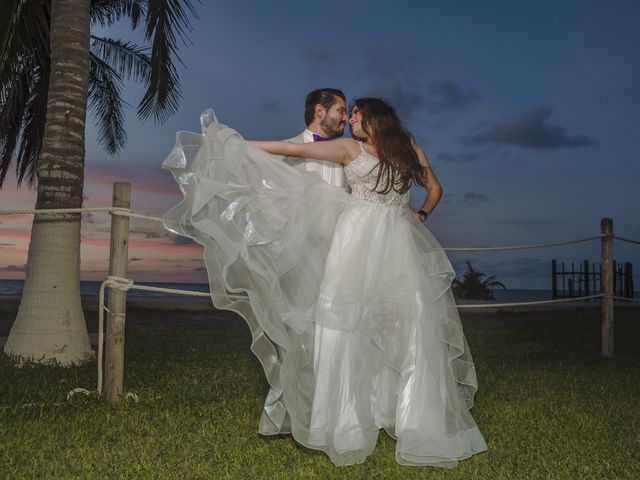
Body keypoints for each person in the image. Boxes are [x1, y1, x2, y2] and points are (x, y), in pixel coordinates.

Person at [163, 98, 487, 467]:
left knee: (406, 322)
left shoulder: (408, 148)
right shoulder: (351, 148)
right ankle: (346, 420)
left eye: (356, 115)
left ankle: (405, 413)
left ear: (374, 118)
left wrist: (421, 215)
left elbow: (435, 188)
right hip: (353, 242)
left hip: (395, 244)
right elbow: (289, 148)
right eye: (348, 115)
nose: (349, 120)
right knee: (342, 322)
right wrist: (235, 145)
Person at [283, 88, 350, 191]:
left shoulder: (348, 155)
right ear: (319, 111)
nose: (346, 118)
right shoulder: (282, 153)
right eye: (340, 111)